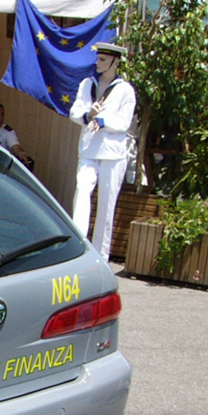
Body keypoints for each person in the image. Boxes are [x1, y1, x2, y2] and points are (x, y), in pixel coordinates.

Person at [69, 42, 137, 262]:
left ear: (115, 62)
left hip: (113, 153)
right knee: (82, 189)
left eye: (103, 60)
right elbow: (75, 111)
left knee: (107, 203)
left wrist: (102, 119)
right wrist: (88, 114)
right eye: (97, 59)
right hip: (89, 149)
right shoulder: (87, 84)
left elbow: (124, 122)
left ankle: (101, 257)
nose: (98, 63)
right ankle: (79, 246)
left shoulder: (125, 89)